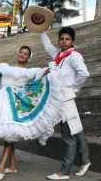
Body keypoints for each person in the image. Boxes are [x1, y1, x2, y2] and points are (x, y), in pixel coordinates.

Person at [0, 45, 62, 181]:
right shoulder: (4, 67)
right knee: (7, 134)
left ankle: (1, 167)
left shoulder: (31, 71)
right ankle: (13, 165)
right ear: (18, 53)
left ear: (28, 57)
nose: (22, 54)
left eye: (25, 53)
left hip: (15, 105)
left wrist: (55, 65)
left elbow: (45, 72)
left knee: (9, 133)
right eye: (21, 52)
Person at [41, 27, 91, 180]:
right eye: (62, 39)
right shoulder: (58, 55)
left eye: (67, 39)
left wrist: (73, 89)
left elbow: (84, 73)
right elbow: (47, 45)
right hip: (59, 97)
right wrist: (40, 30)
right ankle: (85, 161)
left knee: (68, 135)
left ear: (72, 41)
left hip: (66, 98)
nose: (64, 41)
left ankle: (64, 172)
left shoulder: (74, 56)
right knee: (76, 131)